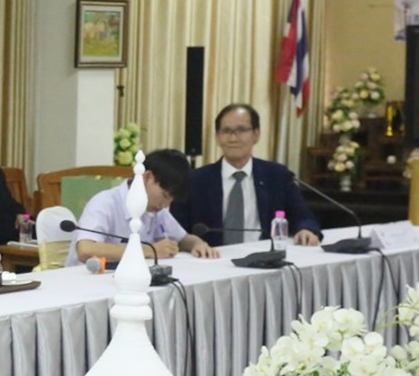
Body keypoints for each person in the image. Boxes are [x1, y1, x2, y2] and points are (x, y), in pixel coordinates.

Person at [171, 105, 322, 248]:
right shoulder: (196, 180)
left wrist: (306, 230)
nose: (233, 138)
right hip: (213, 258)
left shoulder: (276, 175)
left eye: (241, 130)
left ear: (256, 135)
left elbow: (304, 217)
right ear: (217, 137)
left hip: (264, 257)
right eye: (226, 131)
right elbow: (175, 228)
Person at [68, 149, 218, 266]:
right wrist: (149, 250)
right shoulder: (105, 203)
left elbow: (183, 238)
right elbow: (86, 249)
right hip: (86, 284)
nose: (166, 205)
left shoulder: (156, 210)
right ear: (147, 177)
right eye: (165, 196)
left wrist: (198, 244)